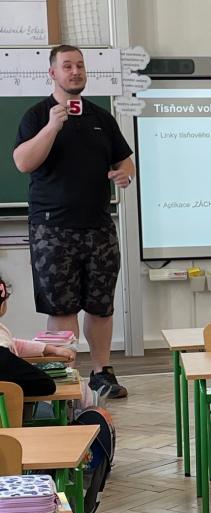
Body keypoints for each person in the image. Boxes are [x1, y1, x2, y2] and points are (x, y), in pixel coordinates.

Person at [12, 45, 135, 400]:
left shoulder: (102, 117)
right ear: (53, 73)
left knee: (101, 305)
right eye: (67, 66)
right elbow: (23, 162)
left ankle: (101, 373)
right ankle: (66, 378)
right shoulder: (37, 116)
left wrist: (125, 175)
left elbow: (125, 161)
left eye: (80, 65)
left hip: (98, 226)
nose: (76, 71)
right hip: (52, 228)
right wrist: (53, 126)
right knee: (61, 306)